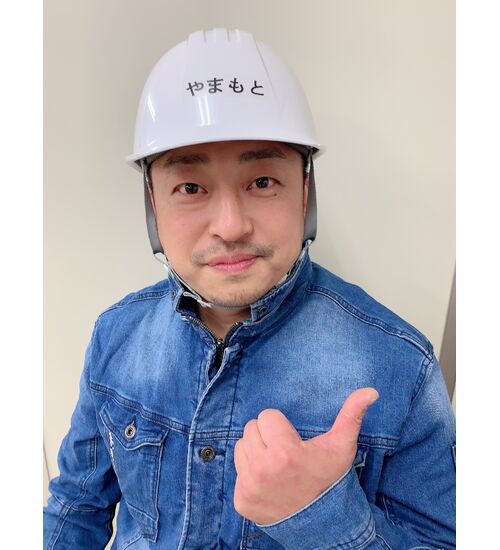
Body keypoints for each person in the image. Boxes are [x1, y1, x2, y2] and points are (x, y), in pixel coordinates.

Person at [43, 28, 456, 549]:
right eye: (190, 187)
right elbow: (75, 508)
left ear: (304, 190)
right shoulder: (116, 335)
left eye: (262, 182)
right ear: (153, 204)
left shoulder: (400, 366)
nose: (230, 226)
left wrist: (325, 517)